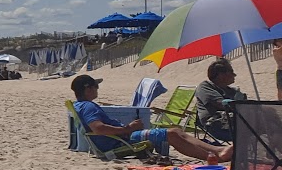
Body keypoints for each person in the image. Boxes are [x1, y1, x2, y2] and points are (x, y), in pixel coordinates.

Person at [72, 74, 233, 163]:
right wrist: (128, 128)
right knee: (171, 134)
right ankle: (212, 157)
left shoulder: (80, 105)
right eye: (96, 86)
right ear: (88, 89)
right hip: (122, 140)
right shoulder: (88, 106)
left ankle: (217, 151)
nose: (97, 89)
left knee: (175, 131)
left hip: (120, 138)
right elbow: (98, 128)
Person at [194, 58, 246, 142]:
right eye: (231, 72)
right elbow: (221, 104)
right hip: (217, 125)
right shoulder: (205, 86)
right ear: (221, 75)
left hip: (236, 124)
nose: (234, 75)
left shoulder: (231, 90)